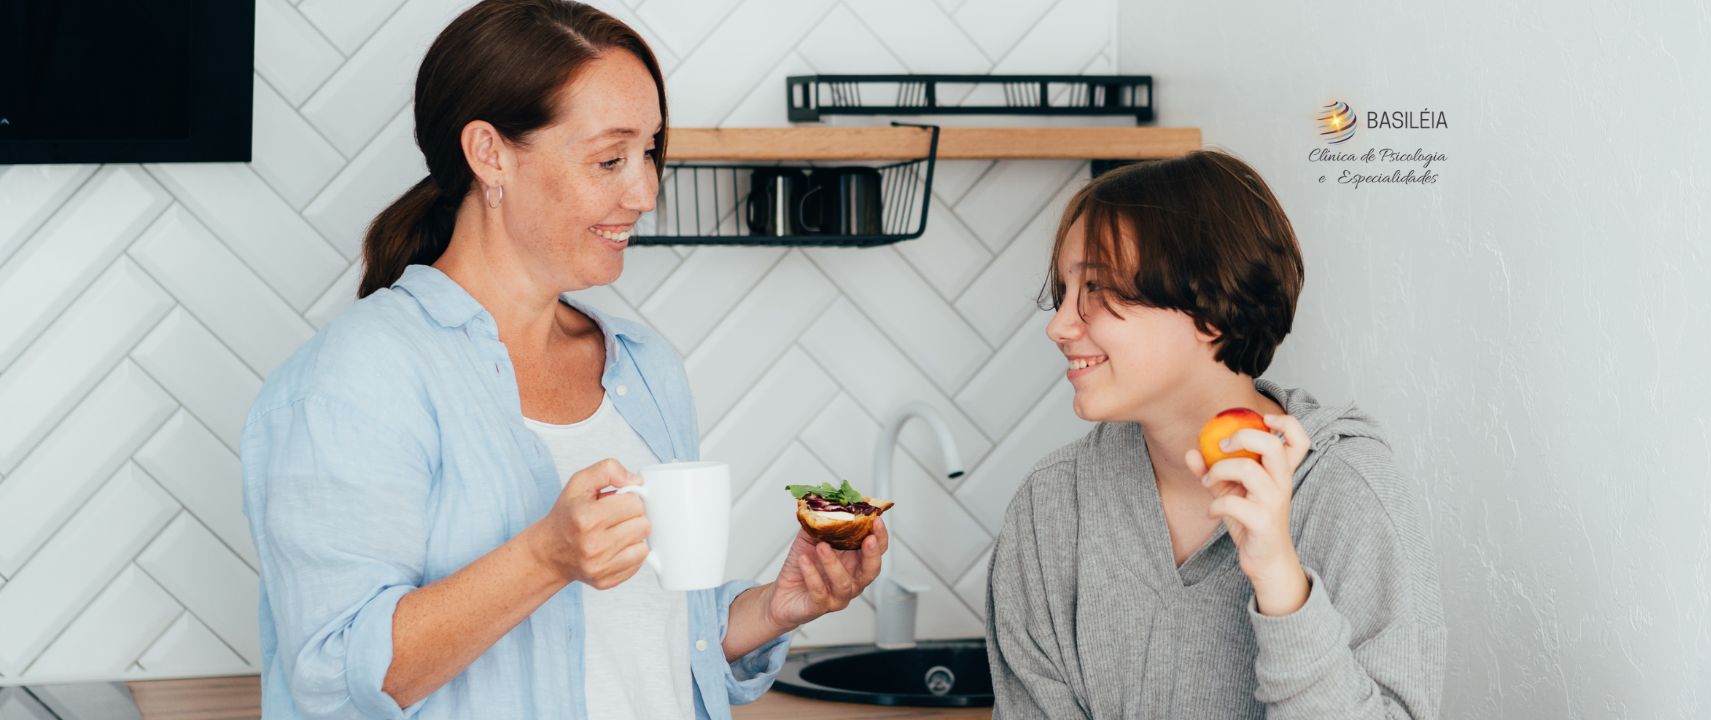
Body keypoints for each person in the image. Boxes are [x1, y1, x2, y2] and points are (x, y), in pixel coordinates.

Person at [238, 2, 886, 718]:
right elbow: (333, 677)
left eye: (649, 151)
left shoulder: (643, 367)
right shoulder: (359, 379)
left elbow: (649, 643)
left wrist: (776, 607)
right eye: (609, 159)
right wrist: (544, 557)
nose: (645, 192)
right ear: (490, 153)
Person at [984, 151, 1446, 719]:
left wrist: (1282, 584)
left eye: (1098, 287)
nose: (1058, 326)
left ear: (1211, 309)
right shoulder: (1051, 506)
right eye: (1065, 289)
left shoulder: (1345, 492)